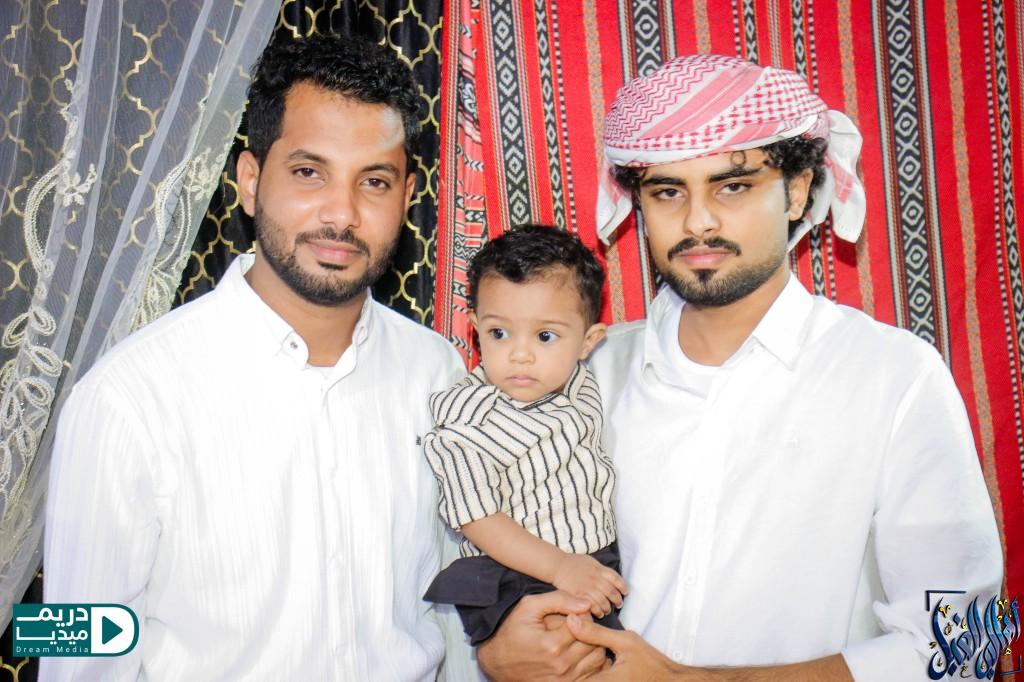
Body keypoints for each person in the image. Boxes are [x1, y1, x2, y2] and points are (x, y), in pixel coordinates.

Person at [477, 54, 1002, 681]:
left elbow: (964, 646)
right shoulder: (584, 371)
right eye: (668, 191)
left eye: (733, 186)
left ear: (798, 190)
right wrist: (496, 646)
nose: (698, 221)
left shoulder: (891, 376)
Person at [42, 35, 474, 680]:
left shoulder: (438, 374)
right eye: (308, 172)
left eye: (374, 181)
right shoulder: (125, 399)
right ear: (250, 181)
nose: (342, 214)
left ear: (407, 195)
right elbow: (77, 647)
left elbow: (452, 606)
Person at [421, 225, 626, 645]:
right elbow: (476, 518)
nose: (519, 354)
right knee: (567, 656)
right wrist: (560, 567)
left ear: (587, 342)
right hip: (516, 574)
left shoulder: (579, 382)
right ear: (476, 328)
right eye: (499, 333)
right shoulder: (468, 422)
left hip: (590, 556)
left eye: (545, 336)